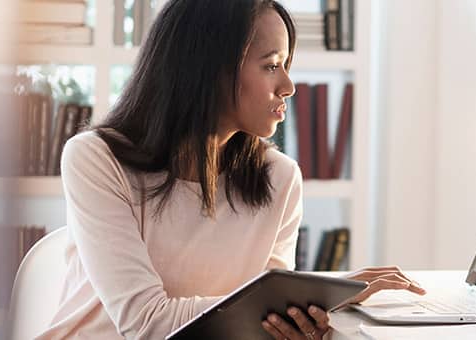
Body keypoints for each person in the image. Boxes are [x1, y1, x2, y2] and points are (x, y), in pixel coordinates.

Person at [35, 0, 425, 339]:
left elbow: (266, 322)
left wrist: (300, 320)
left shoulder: (280, 178)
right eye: (272, 66)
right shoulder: (96, 159)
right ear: (209, 69)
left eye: (286, 65)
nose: (288, 85)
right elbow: (146, 323)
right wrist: (329, 291)